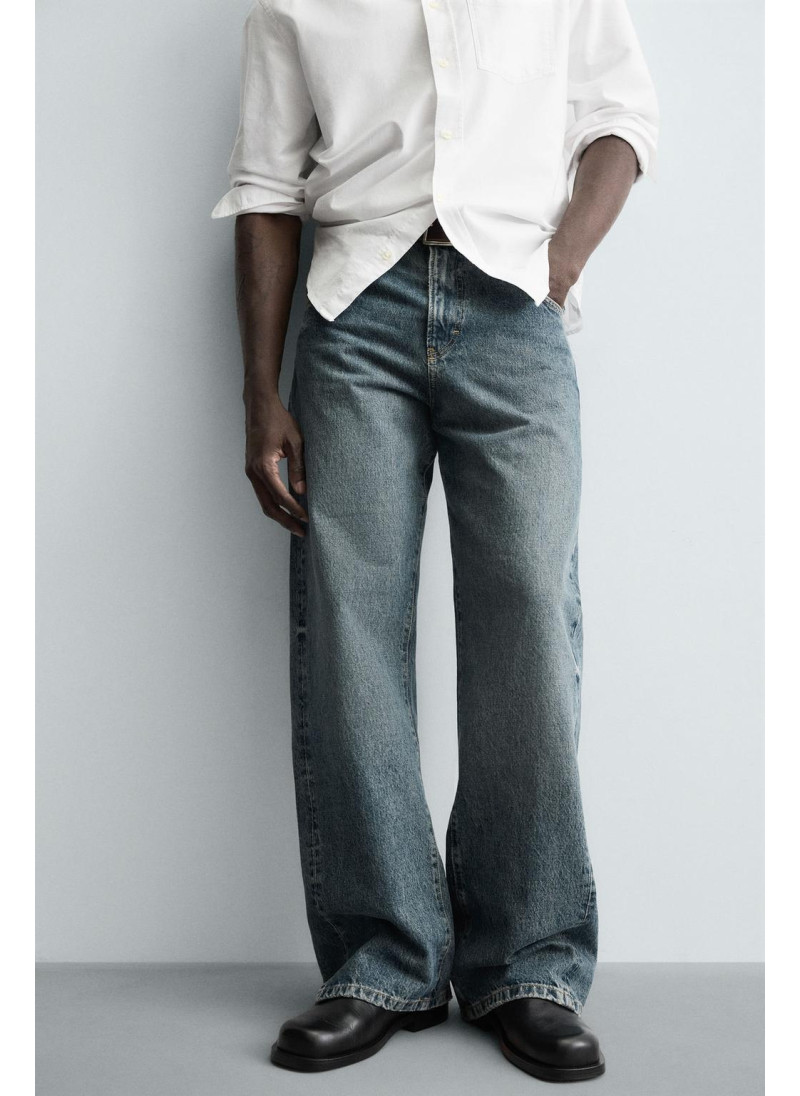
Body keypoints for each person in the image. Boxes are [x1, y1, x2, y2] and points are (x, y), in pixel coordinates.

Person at [212, 0, 658, 1082]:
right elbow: (267, 186)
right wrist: (261, 394)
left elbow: (620, 121)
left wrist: (556, 266)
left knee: (528, 623)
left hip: (513, 308)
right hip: (352, 311)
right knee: (349, 629)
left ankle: (528, 966)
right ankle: (382, 962)